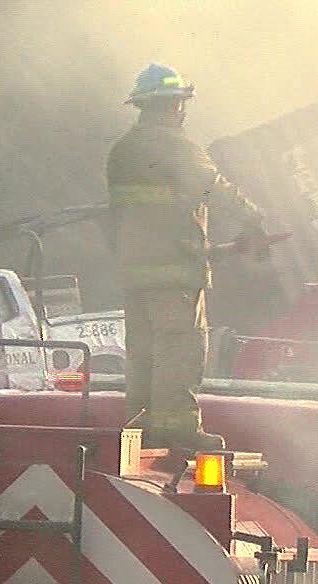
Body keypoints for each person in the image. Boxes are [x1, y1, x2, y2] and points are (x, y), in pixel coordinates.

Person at [105, 63, 266, 452]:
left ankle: (138, 431)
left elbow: (144, 215)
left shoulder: (122, 152)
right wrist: (255, 220)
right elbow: (217, 190)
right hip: (175, 276)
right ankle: (177, 433)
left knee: (143, 354)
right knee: (179, 351)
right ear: (173, 105)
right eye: (180, 103)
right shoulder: (179, 149)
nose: (182, 111)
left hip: (135, 276)